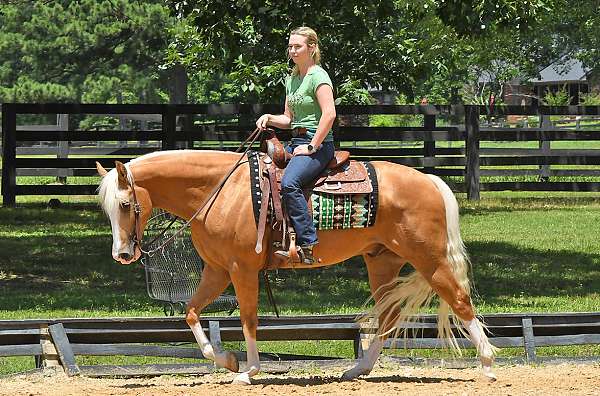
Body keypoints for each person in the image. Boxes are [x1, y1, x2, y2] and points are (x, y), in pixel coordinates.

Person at [256, 26, 336, 264]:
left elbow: (329, 115)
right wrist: (269, 118)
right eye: (290, 46)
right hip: (296, 140)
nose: (292, 51)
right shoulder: (292, 78)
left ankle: (308, 244)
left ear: (312, 47)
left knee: (290, 183)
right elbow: (288, 119)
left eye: (297, 46)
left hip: (318, 144)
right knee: (261, 173)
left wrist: (312, 146)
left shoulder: (318, 76)